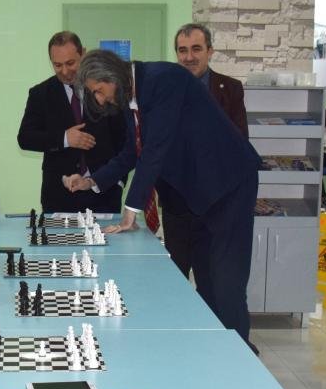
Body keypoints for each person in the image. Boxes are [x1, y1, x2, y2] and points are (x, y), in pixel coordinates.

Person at [65, 49, 260, 347]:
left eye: (100, 91)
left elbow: (156, 147)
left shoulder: (164, 79)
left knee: (227, 283)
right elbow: (132, 152)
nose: (101, 100)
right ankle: (215, 351)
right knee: (207, 282)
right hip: (199, 194)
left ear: (112, 76)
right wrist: (92, 180)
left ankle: (241, 357)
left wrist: (131, 210)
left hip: (229, 184)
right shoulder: (131, 98)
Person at [166, 23, 250, 279]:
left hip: (216, 206)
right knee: (175, 281)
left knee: (211, 282)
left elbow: (239, 143)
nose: (188, 57)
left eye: (196, 49)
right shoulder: (165, 90)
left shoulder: (231, 89)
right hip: (177, 204)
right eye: (182, 50)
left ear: (210, 51)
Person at [17, 31, 127, 213]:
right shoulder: (40, 93)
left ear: (83, 54)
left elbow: (124, 139)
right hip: (59, 196)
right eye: (57, 65)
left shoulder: (105, 87)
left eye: (70, 63)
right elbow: (25, 138)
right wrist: (64, 139)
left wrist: (119, 181)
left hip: (104, 193)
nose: (65, 71)